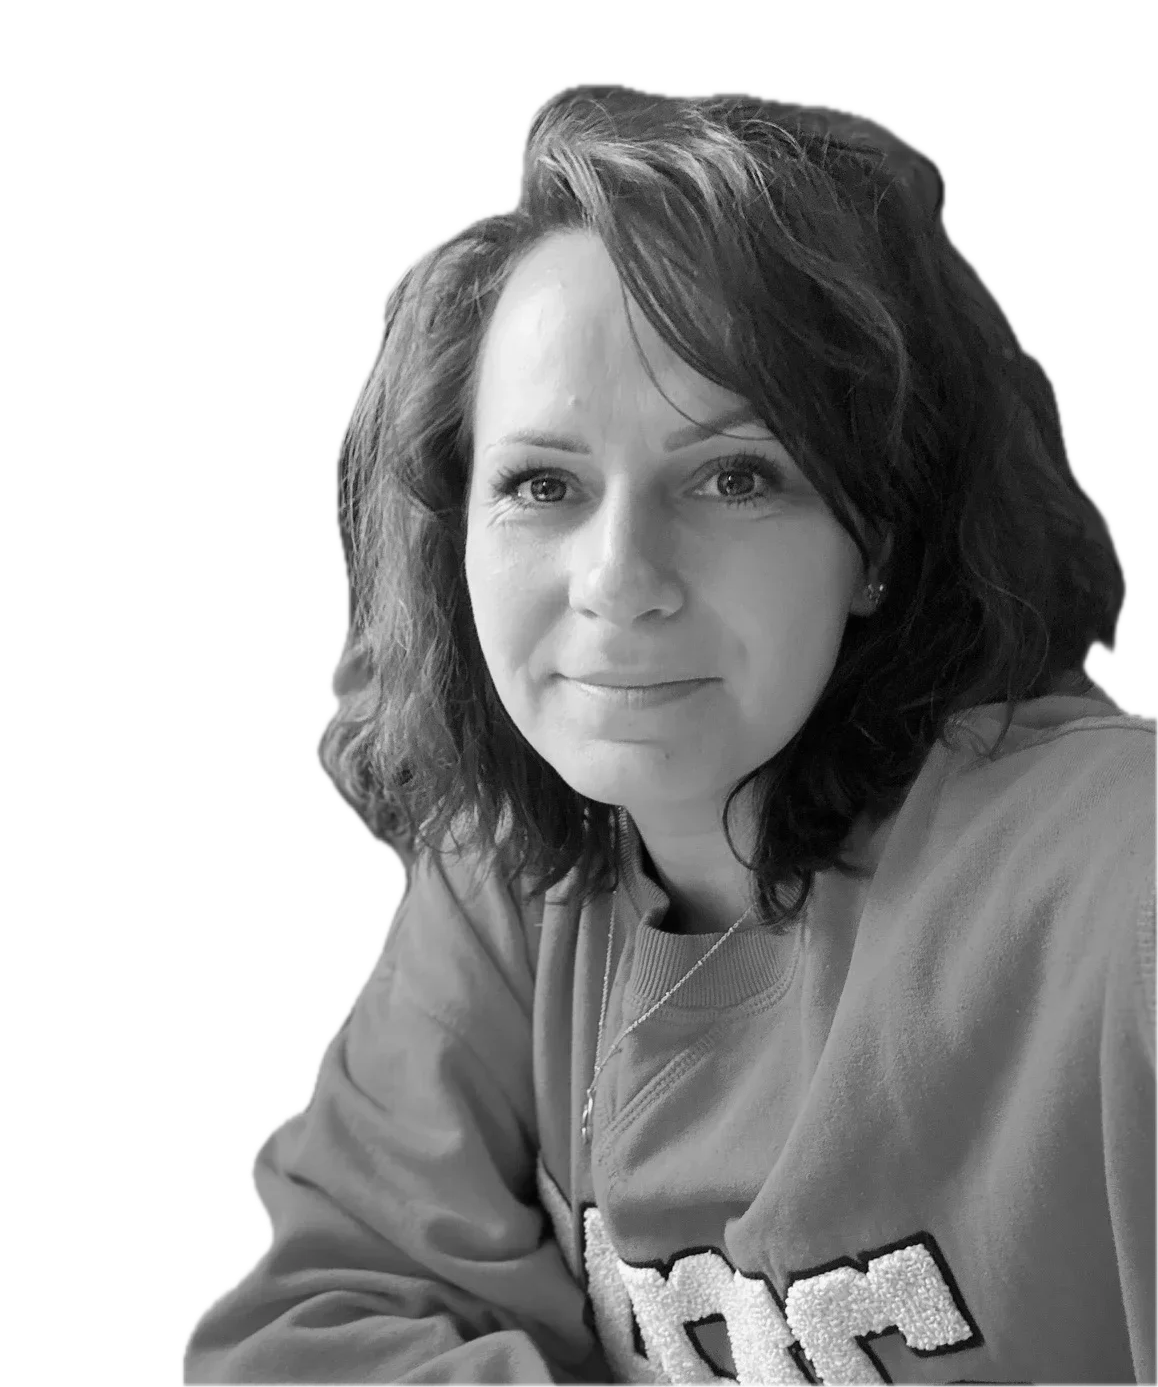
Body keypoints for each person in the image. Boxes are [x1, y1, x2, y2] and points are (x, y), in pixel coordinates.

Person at [184, 86, 1155, 1385]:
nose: (619, 577)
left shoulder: (1114, 862)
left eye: (733, 475)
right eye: (543, 484)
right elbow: (306, 1335)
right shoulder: (511, 882)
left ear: (875, 539)